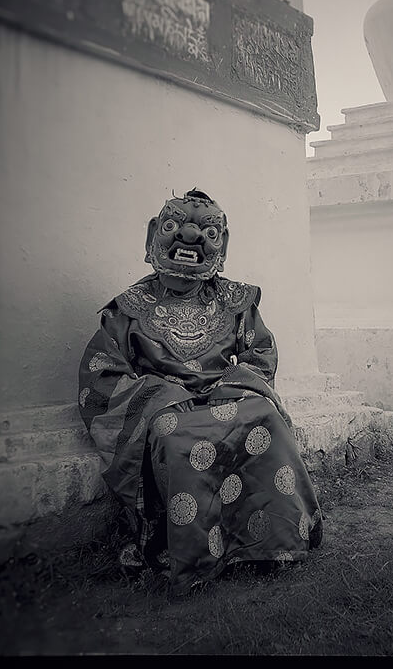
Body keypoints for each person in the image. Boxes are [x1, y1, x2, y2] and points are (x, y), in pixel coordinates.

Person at [78, 189, 322, 595]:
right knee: (175, 436)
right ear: (153, 235)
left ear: (223, 243)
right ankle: (194, 559)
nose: (189, 238)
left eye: (208, 231)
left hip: (228, 397)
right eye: (173, 227)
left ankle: (274, 544)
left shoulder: (236, 302)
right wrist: (159, 395)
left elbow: (261, 350)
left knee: (266, 416)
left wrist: (232, 385)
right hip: (169, 408)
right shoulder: (128, 309)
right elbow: (102, 377)